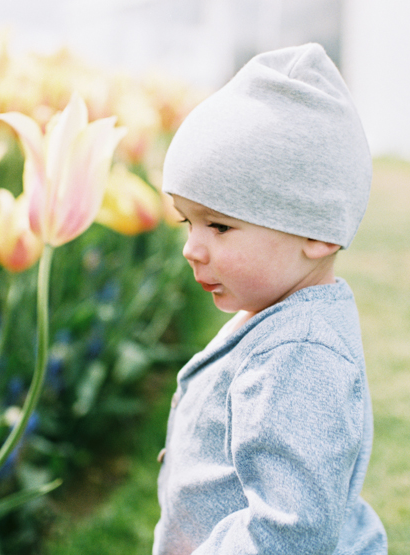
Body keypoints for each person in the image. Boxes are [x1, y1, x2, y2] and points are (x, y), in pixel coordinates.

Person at [153, 43, 387, 555]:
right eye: (186, 221)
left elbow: (291, 532)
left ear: (318, 231)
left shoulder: (300, 357)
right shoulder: (270, 312)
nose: (192, 248)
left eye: (219, 225)